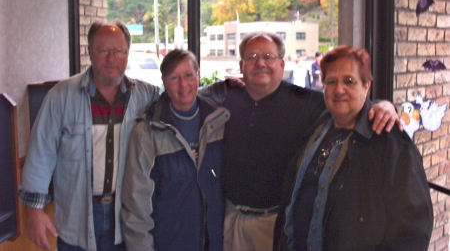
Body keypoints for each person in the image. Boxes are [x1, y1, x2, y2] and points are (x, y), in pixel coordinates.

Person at [199, 32, 401, 251]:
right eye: (252, 57)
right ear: (241, 64)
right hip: (231, 220)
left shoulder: (307, 102)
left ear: (281, 63)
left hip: (277, 225)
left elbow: (350, 107)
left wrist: (382, 105)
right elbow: (187, 97)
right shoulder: (225, 99)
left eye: (268, 56)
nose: (260, 63)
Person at [19, 21, 161, 251]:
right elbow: (40, 155)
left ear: (127, 54)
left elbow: (181, 97)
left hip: (125, 217)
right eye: (103, 50)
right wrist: (34, 211)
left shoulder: (146, 95)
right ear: (90, 52)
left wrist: (226, 88)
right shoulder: (60, 97)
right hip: (77, 217)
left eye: (118, 51)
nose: (111, 58)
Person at [275, 45, 433, 251]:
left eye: (349, 81)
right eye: (331, 82)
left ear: (366, 85)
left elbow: (413, 230)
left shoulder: (391, 142)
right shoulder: (317, 126)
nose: (339, 89)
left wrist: (386, 105)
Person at [121, 49, 230, 251]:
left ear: (198, 75)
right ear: (164, 81)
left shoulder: (220, 122)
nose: (183, 84)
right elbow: (136, 209)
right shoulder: (147, 133)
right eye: (174, 78)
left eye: (189, 75)